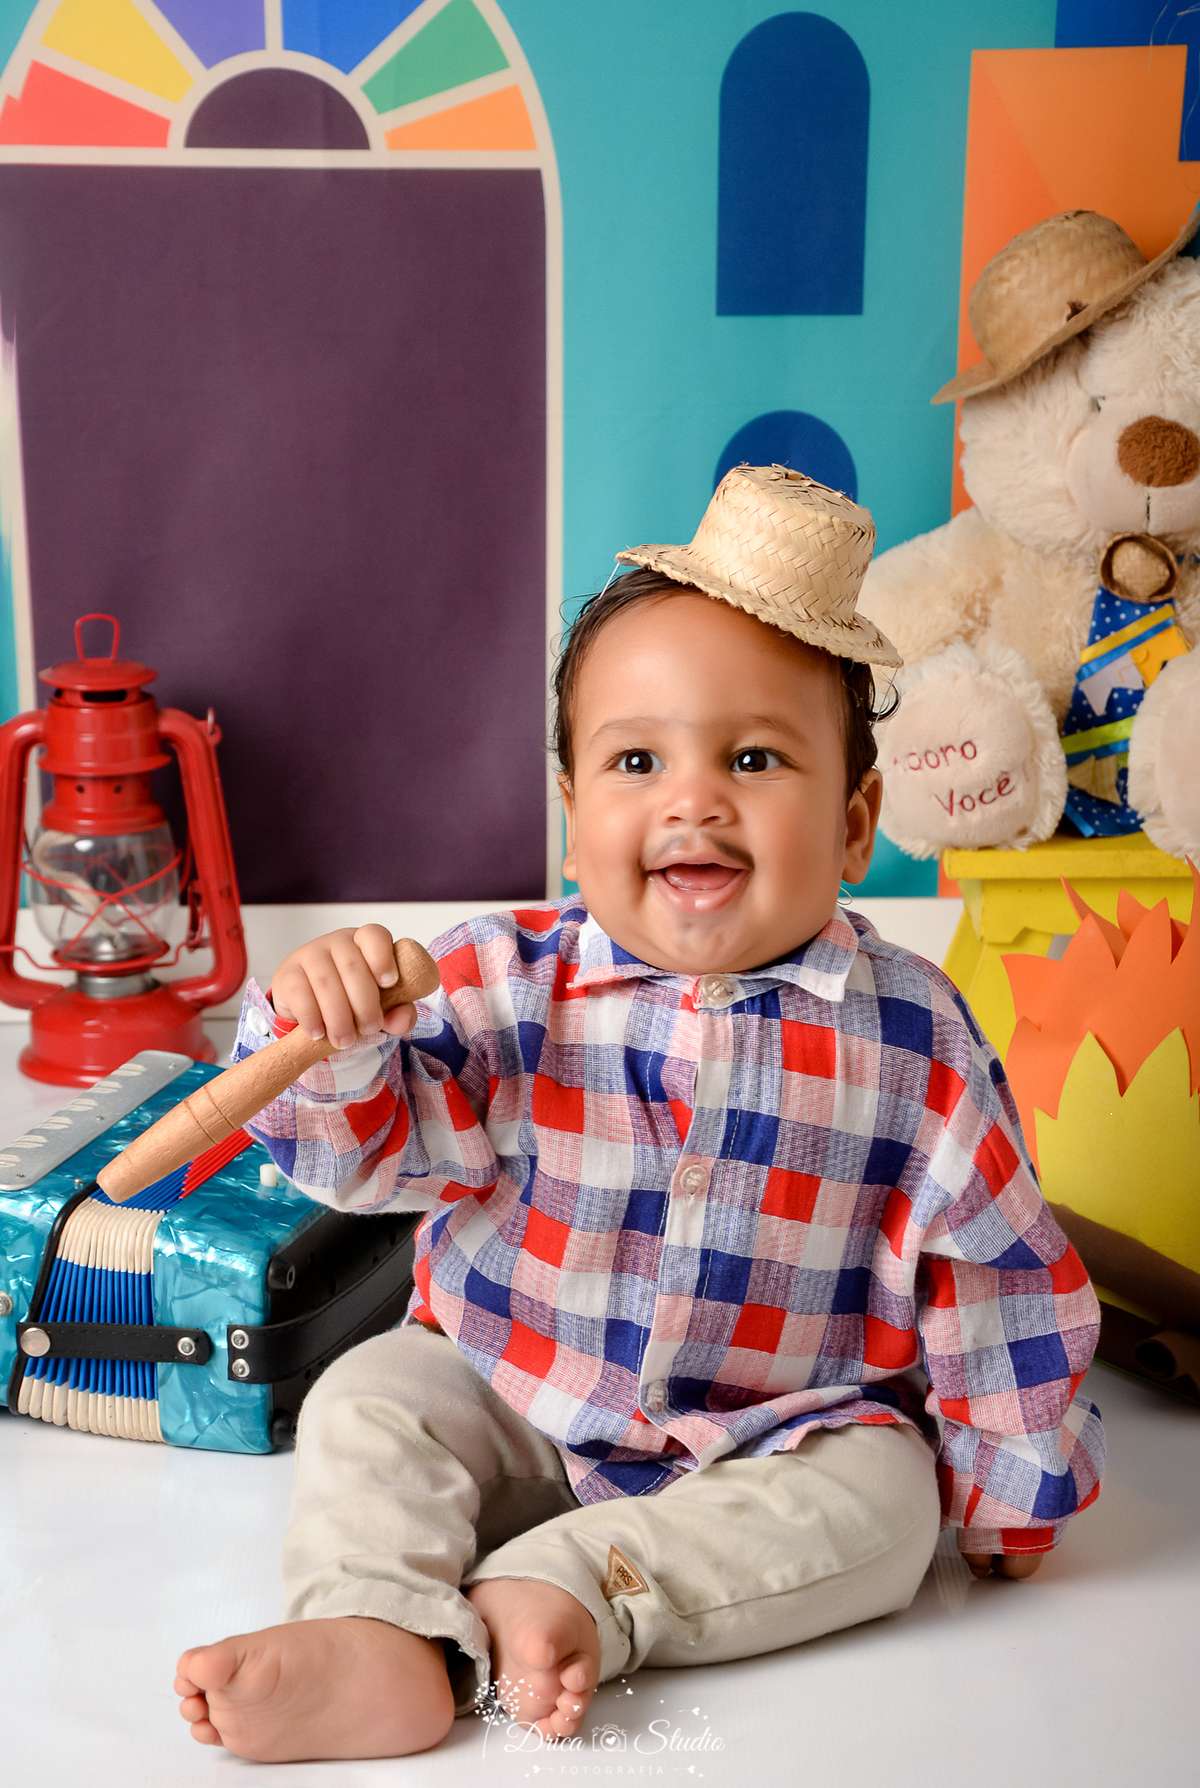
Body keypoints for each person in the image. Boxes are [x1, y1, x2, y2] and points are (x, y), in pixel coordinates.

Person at [174, 467, 1105, 1763]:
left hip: (779, 1429)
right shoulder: (504, 982)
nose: (692, 797)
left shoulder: (914, 1036)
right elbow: (366, 1160)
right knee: (372, 1395)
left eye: (755, 757)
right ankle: (376, 1631)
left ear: (853, 824)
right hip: (520, 1383)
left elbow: (1000, 1277)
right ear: (573, 817)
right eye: (635, 758)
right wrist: (332, 1041)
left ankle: (575, 1585)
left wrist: (1012, 1496)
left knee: (895, 1507)